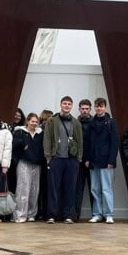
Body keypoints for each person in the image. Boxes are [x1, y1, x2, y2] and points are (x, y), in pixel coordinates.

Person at [43, 96, 83, 224]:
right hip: (56, 158)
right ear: (61, 105)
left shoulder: (76, 122)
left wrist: (78, 158)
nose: (66, 106)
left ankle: (68, 215)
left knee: (70, 188)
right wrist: (48, 157)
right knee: (53, 188)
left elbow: (80, 141)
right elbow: (47, 139)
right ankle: (51, 215)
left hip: (71, 160)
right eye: (64, 103)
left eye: (69, 104)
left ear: (72, 106)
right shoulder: (52, 121)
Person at [84, 97, 119, 224]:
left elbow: (115, 144)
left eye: (101, 106)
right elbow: (86, 142)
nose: (99, 108)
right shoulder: (91, 123)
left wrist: (111, 160)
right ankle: (97, 214)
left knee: (106, 189)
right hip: (93, 161)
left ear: (105, 107)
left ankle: (109, 214)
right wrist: (87, 158)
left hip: (106, 162)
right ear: (95, 108)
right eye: (97, 106)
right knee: (94, 188)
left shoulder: (111, 122)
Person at [12, 113, 45, 223]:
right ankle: (20, 214)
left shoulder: (40, 133)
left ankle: (31, 214)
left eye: (36, 122)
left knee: (34, 189)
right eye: (32, 121)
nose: (34, 123)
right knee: (23, 188)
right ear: (27, 121)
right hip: (24, 162)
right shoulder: (20, 132)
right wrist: (22, 144)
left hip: (36, 164)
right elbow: (14, 144)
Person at [74, 99, 93, 220]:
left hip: (91, 161)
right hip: (78, 161)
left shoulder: (95, 122)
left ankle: (96, 215)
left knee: (94, 190)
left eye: (87, 108)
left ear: (90, 109)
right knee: (77, 189)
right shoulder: (75, 123)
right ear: (79, 109)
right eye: (83, 108)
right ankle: (75, 215)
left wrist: (89, 158)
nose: (85, 111)